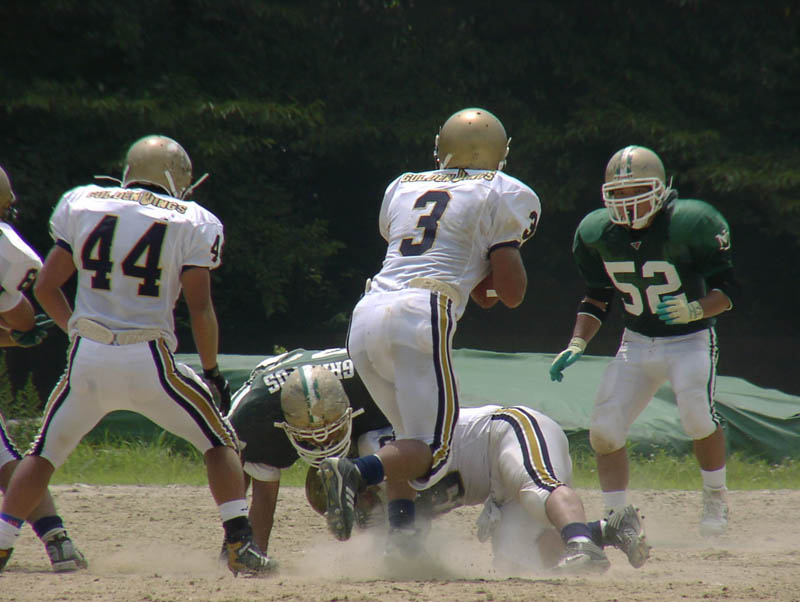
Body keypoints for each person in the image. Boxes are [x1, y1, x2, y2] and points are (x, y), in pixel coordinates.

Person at [0, 136, 272, 575]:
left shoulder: (83, 202)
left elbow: (47, 288)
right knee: (219, 441)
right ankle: (240, 543)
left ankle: (2, 542)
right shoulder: (193, 219)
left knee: (42, 453)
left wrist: (77, 331)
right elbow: (199, 308)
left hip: (87, 358)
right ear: (175, 176)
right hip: (149, 359)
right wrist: (211, 371)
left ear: (128, 170)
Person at [319, 108, 542, 554]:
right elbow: (511, 292)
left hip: (367, 314)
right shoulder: (504, 190)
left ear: (443, 147)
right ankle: (354, 473)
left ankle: (403, 535)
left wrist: (475, 275)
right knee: (434, 451)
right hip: (420, 313)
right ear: (498, 152)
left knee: (406, 438)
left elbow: (432, 246)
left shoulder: (403, 185)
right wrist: (492, 275)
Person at [549, 145, 736, 536]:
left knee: (697, 416)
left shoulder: (691, 222)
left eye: (637, 190)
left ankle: (715, 495)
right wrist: (577, 342)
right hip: (636, 342)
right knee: (604, 429)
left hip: (689, 340)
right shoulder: (596, 233)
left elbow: (728, 291)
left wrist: (695, 309)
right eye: (618, 193)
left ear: (661, 189)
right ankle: (618, 519)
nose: (628, 201)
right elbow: (597, 296)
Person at [411, 404, 650, 574]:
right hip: (499, 493)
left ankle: (581, 542)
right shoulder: (391, 509)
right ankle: (608, 529)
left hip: (505, 432)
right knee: (517, 564)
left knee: (536, 492)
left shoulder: (391, 445)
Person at [0, 165, 87, 572]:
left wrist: (13, 338)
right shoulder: (6, 252)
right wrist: (19, 335)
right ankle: (57, 540)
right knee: (6, 461)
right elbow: (20, 317)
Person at [226, 347, 392, 554]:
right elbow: (263, 498)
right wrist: (237, 535)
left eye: (332, 431)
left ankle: (404, 524)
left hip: (360, 391)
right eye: (308, 436)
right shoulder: (257, 414)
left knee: (375, 446)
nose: (322, 443)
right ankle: (238, 544)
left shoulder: (371, 383)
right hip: (271, 388)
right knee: (236, 459)